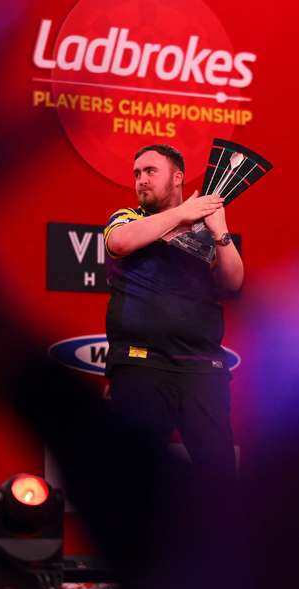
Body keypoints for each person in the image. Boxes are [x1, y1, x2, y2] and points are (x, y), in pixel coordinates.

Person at [103, 143, 243, 485]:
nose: (141, 180)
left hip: (203, 370)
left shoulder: (206, 231)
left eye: (151, 171)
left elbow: (232, 283)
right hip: (141, 365)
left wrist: (220, 232)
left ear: (177, 177)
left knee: (220, 479)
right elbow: (119, 243)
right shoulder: (128, 218)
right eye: (137, 173)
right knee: (137, 481)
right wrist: (183, 214)